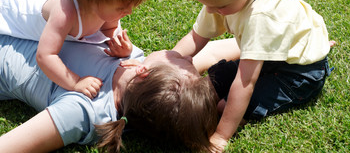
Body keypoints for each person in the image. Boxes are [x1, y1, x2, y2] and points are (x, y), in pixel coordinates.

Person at [173, 0, 332, 152]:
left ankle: (316, 58)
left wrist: (220, 135)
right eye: (205, 4)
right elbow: (196, 37)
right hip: (270, 52)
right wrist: (171, 63)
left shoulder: (263, 15)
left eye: (219, 6)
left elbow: (246, 82)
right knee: (213, 81)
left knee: (224, 106)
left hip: (298, 73)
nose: (209, 11)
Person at [0, 34, 219, 153]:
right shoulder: (145, 78)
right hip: (19, 26)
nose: (190, 58)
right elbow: (213, 52)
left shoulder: (84, 110)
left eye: (182, 61)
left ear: (144, 73)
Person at [0, 0, 150, 99]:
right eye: (121, 8)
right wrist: (76, 82)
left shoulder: (101, 6)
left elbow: (109, 31)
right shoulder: (65, 14)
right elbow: (45, 56)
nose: (129, 12)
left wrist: (120, 47)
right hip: (6, 2)